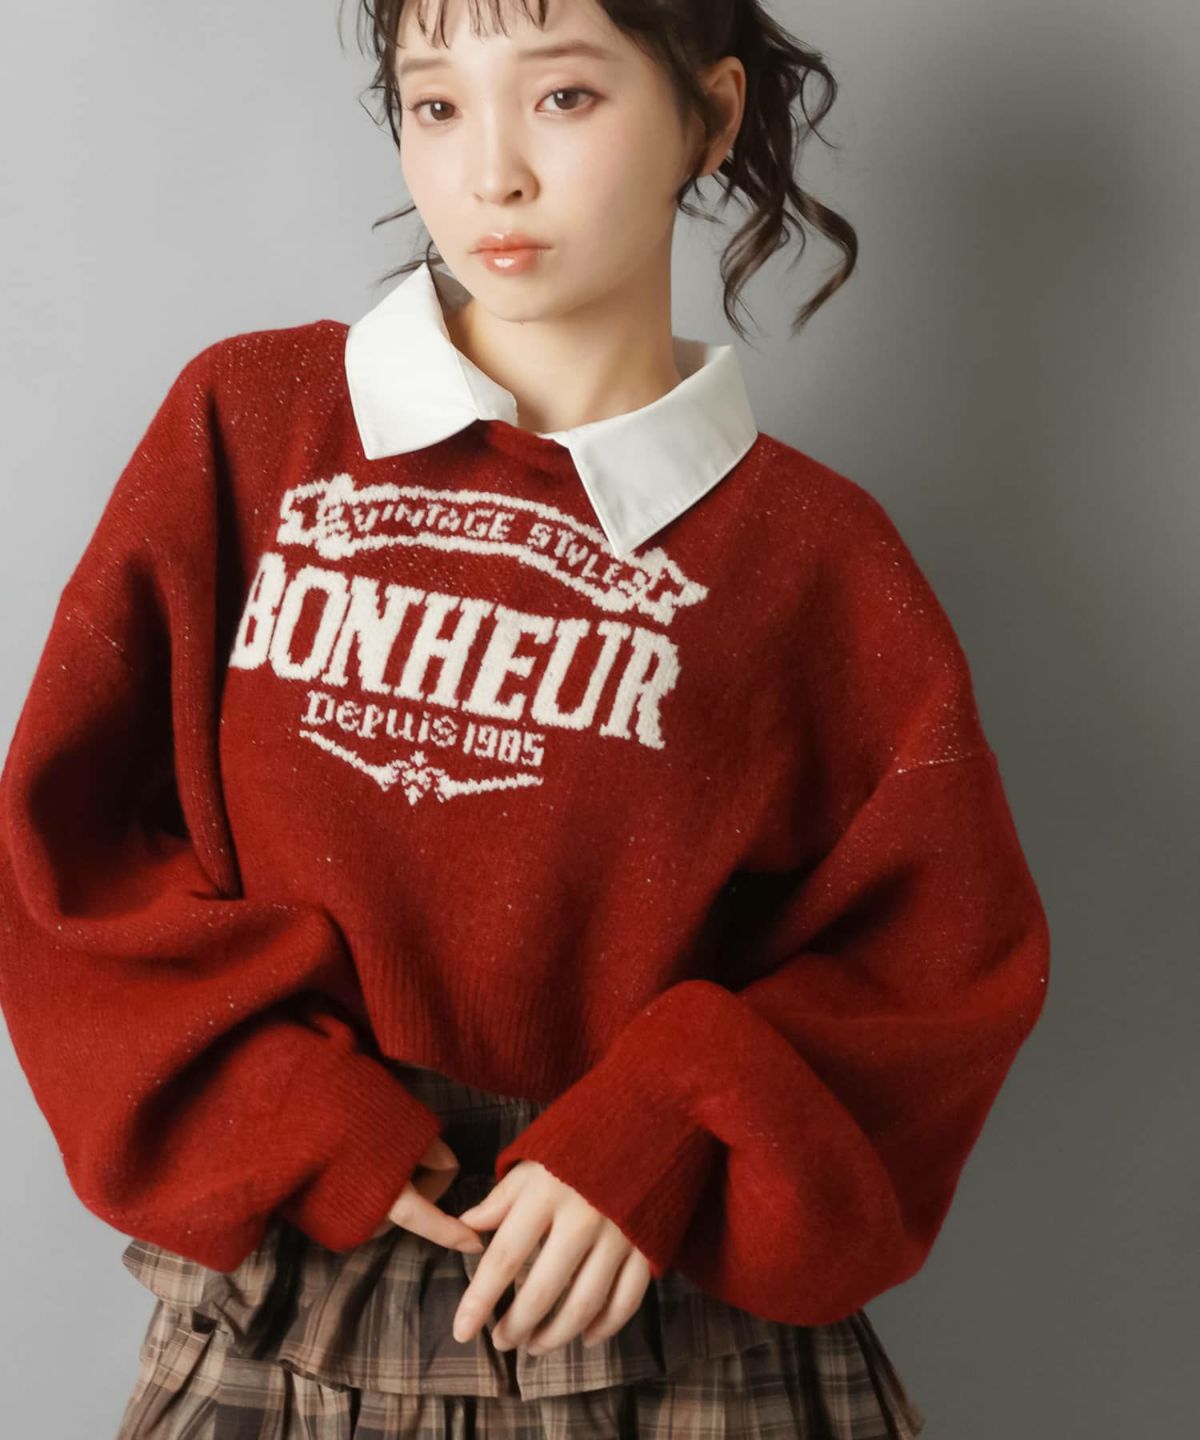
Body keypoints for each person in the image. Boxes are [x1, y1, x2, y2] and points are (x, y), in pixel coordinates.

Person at [0, 1, 1051, 1436]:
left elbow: (940, 965)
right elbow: (63, 855)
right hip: (292, 1301)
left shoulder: (818, 558)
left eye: (563, 97)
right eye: (437, 104)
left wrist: (672, 1120)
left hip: (669, 1324)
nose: (490, 172)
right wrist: (291, 1108)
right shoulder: (253, 424)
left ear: (712, 115)